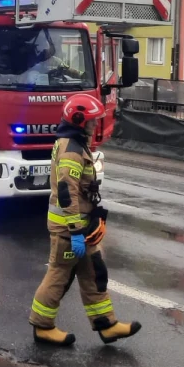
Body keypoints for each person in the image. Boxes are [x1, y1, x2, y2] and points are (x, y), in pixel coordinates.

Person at [29, 94, 140, 346]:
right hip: (70, 229)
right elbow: (67, 194)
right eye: (91, 121)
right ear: (79, 120)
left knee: (94, 272)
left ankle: (106, 325)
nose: (95, 124)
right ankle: (42, 326)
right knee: (59, 275)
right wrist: (76, 231)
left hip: (80, 226)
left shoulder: (75, 143)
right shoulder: (72, 151)